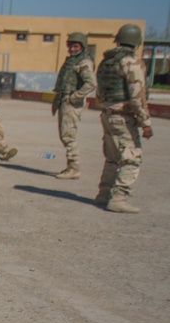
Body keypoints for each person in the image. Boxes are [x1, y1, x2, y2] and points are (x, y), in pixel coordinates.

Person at [94, 24, 153, 213]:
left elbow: (99, 92)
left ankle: (103, 195)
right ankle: (118, 198)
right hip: (123, 117)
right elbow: (137, 96)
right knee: (131, 158)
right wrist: (146, 123)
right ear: (136, 42)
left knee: (112, 158)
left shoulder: (106, 62)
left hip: (107, 114)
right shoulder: (131, 63)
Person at [50, 32, 96, 180]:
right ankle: (71, 166)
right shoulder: (74, 61)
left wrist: (75, 97)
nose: (72, 49)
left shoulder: (83, 62)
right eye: (70, 46)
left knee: (68, 134)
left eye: (75, 46)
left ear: (82, 47)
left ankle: (74, 167)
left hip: (71, 102)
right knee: (65, 134)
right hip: (65, 100)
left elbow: (91, 83)